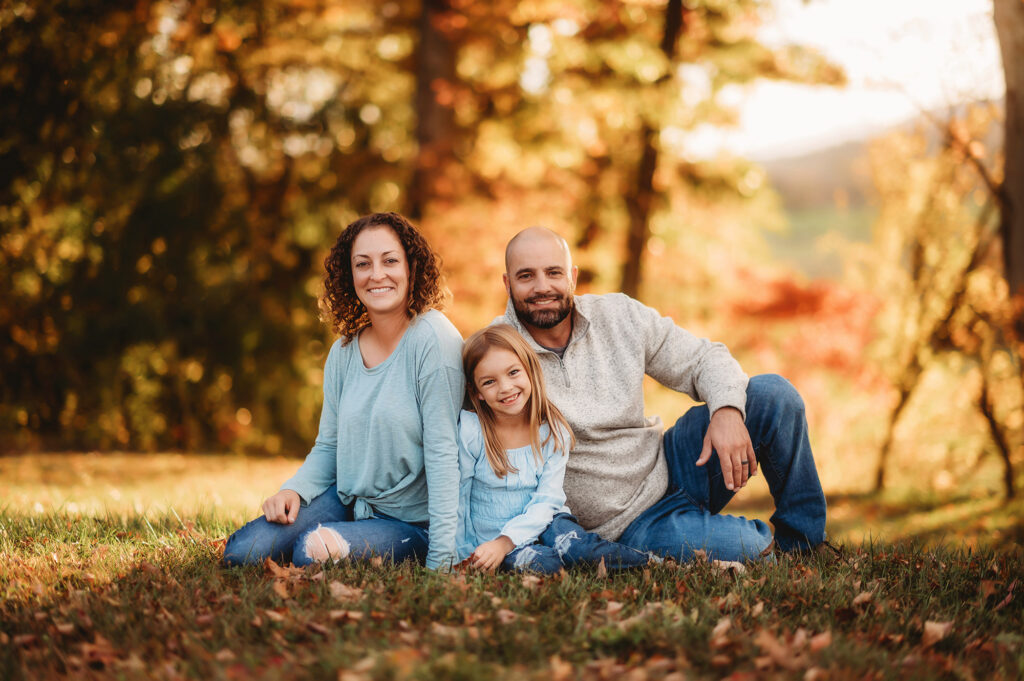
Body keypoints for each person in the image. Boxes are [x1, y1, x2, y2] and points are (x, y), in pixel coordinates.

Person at [495, 226, 829, 563]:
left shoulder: (618, 315)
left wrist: (726, 411)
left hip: (676, 463)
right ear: (508, 284)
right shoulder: (494, 357)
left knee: (774, 395)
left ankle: (804, 546)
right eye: (526, 276)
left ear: (573, 277)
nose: (542, 287)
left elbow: (703, 358)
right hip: (627, 525)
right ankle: (754, 546)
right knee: (752, 549)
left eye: (554, 272)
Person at [223, 212, 463, 571]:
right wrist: (293, 490)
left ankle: (351, 539)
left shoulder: (433, 339)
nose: (376, 274)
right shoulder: (343, 352)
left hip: (414, 523)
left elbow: (445, 453)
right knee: (242, 553)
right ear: (350, 276)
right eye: (362, 264)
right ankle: (343, 533)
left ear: (411, 267)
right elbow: (329, 446)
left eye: (390, 261)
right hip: (350, 501)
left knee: (309, 553)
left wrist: (443, 558)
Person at [456, 324, 652, 574]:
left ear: (530, 370)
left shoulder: (552, 431)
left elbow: (548, 499)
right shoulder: (471, 431)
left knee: (578, 550)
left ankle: (648, 561)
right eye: (490, 382)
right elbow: (457, 497)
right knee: (544, 566)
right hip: (494, 536)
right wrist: (464, 553)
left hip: (548, 522)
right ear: (477, 392)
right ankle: (557, 560)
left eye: (513, 372)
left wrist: (506, 542)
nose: (505, 387)